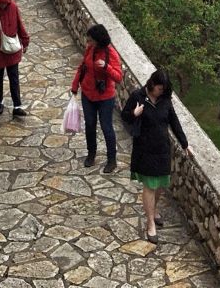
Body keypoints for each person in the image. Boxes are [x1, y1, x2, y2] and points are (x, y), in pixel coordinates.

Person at [121, 70, 193, 244]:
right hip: (144, 149)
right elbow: (125, 116)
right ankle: (150, 222)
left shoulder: (165, 101)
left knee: (161, 183)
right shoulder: (138, 96)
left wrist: (185, 144)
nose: (160, 92)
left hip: (162, 149)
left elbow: (174, 122)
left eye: (163, 89)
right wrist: (134, 114)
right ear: (152, 84)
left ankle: (153, 210)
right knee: (150, 185)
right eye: (159, 89)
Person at [71, 22, 122, 173]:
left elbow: (118, 77)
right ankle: (91, 154)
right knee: (90, 125)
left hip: (105, 97)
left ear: (98, 40)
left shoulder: (110, 54)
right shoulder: (90, 50)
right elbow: (83, 67)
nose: (88, 43)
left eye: (91, 40)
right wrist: (75, 85)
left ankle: (111, 159)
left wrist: (106, 67)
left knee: (106, 127)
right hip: (88, 94)